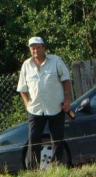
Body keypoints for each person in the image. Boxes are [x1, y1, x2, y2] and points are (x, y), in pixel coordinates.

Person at [17, 37, 73, 169]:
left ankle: (57, 167)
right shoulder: (26, 65)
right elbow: (22, 89)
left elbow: (66, 80)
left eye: (37, 47)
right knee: (33, 138)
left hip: (56, 106)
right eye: (32, 48)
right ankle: (33, 169)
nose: (35, 50)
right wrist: (27, 104)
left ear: (43, 47)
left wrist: (67, 99)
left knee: (57, 139)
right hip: (35, 109)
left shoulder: (55, 61)